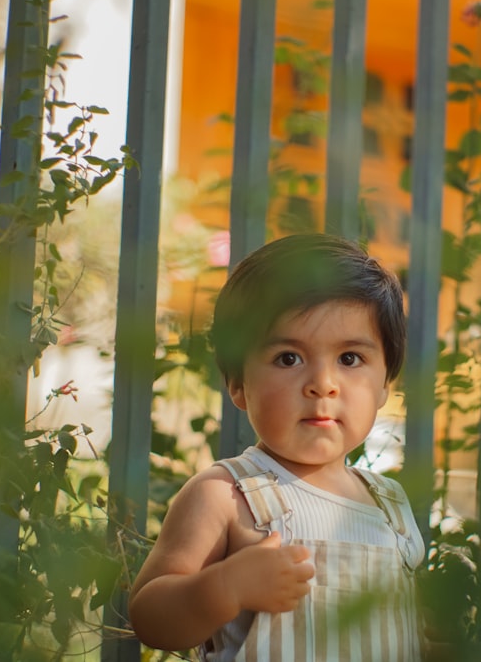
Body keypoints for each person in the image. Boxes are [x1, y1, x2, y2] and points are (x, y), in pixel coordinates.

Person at [128, 233, 425, 661]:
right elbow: (150, 617)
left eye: (349, 359)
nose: (323, 384)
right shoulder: (225, 495)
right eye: (289, 358)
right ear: (237, 384)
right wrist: (224, 587)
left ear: (384, 384)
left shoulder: (391, 505)